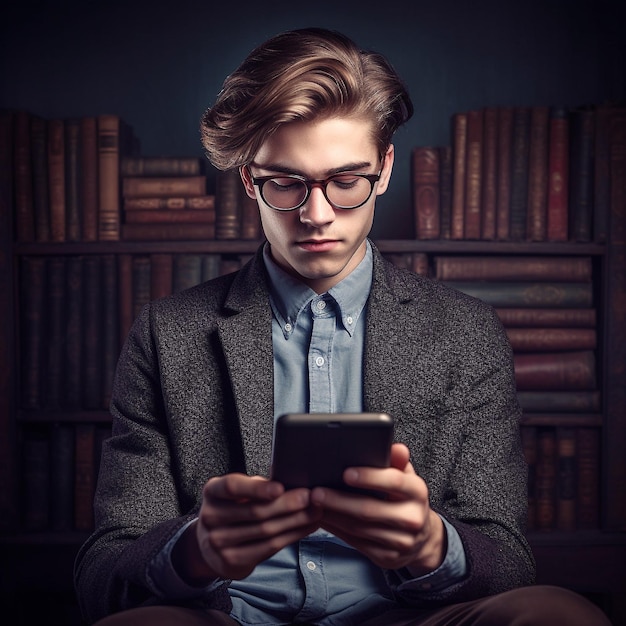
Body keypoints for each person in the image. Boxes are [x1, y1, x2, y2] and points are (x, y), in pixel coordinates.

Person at [74, 27, 610, 626]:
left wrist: (431, 546)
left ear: (384, 169)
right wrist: (193, 553)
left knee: (557, 615)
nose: (317, 215)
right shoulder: (166, 334)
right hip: (226, 618)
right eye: (286, 183)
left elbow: (508, 560)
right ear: (249, 180)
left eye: (346, 182)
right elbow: (104, 571)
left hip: (407, 615)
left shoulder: (467, 333)